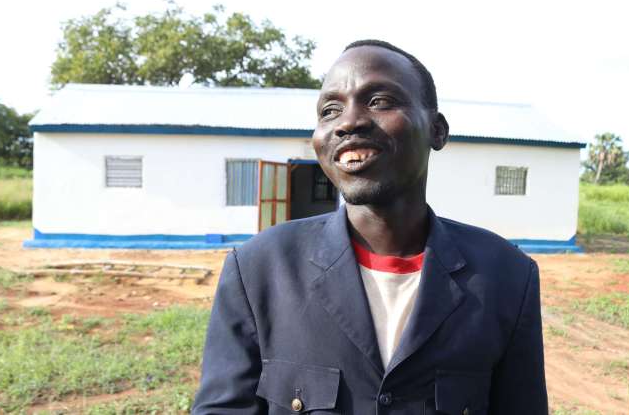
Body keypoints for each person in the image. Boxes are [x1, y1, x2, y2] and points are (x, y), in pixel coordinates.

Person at [192, 39, 547, 414]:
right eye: (330, 110)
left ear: (437, 131)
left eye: (379, 102)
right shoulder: (259, 269)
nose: (348, 122)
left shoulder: (505, 275)